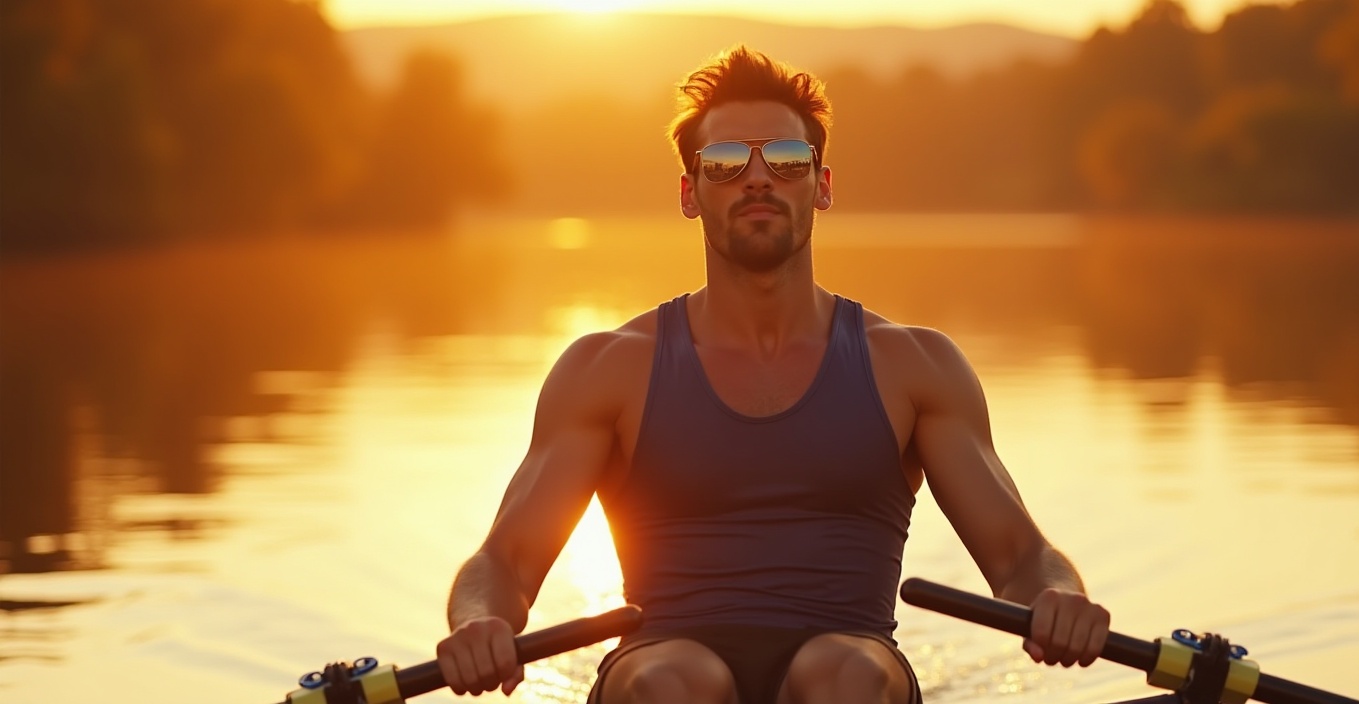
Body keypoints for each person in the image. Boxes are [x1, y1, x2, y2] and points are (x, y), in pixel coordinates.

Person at [434, 45, 1110, 703]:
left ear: (822, 185)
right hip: (662, 669)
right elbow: (503, 565)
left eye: (786, 160)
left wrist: (1061, 600)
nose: (757, 178)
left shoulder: (915, 366)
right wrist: (479, 625)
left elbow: (1023, 558)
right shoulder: (607, 369)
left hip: (853, 670)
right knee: (679, 681)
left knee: (837, 672)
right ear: (689, 193)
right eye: (725, 162)